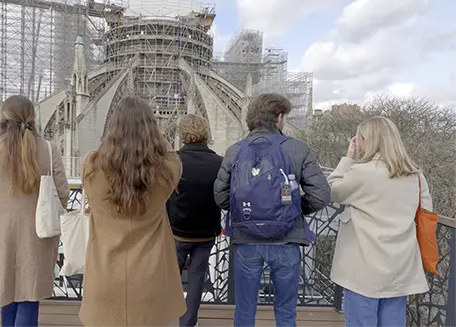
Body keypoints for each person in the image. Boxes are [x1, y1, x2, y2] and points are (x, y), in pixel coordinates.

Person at [213, 93, 330, 327]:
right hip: (286, 239)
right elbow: (321, 195)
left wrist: (245, 213)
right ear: (278, 117)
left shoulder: (235, 150)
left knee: (245, 310)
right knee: (286, 312)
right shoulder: (297, 148)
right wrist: (292, 210)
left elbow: (220, 196)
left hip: (247, 240)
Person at [79, 96, 186, 327]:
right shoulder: (166, 172)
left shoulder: (90, 166)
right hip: (152, 280)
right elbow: (172, 157)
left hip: (105, 279)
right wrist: (154, 139)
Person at [0, 95, 69, 327]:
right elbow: (62, 194)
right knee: (29, 295)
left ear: (3, 118)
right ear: (33, 118)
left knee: (7, 293)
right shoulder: (47, 148)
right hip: (38, 232)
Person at [327, 116, 431, 327]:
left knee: (361, 321)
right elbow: (427, 212)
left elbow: (334, 190)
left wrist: (348, 158)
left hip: (364, 267)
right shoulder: (416, 176)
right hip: (400, 266)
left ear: (367, 140)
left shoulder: (361, 172)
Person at [166, 114, 223, 327]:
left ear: (183, 134)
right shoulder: (219, 162)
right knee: (198, 276)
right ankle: (188, 322)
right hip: (206, 230)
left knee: (171, 275)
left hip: (177, 229)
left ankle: (164, 318)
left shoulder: (173, 161)